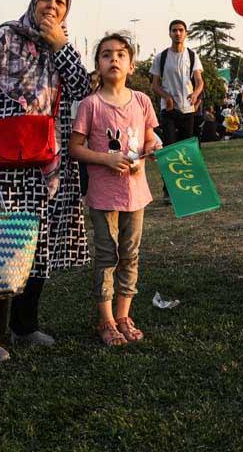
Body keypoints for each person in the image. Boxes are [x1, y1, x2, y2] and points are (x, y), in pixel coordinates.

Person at [0, 0, 91, 364]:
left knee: (38, 243)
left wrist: (61, 47)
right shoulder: (4, 37)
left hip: (49, 164)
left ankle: (24, 325)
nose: (52, 6)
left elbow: (83, 90)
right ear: (33, 1)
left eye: (60, 1)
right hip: (5, 158)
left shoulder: (62, 47)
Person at [69, 33, 161, 347]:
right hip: (103, 195)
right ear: (98, 64)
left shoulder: (142, 101)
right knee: (107, 256)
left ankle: (124, 315)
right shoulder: (90, 105)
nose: (114, 60)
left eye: (121, 55)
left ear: (132, 65)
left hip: (136, 194)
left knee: (130, 255)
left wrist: (150, 151)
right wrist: (106, 159)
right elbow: (75, 148)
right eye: (106, 55)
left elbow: (150, 140)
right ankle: (106, 320)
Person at [149, 20, 205, 148]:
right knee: (170, 147)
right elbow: (155, 85)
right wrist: (167, 97)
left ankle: (187, 169)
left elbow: (199, 81)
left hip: (187, 108)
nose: (177, 33)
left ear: (186, 34)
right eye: (174, 30)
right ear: (170, 34)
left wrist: (196, 94)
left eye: (181, 30)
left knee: (186, 147)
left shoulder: (192, 55)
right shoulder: (161, 57)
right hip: (169, 109)